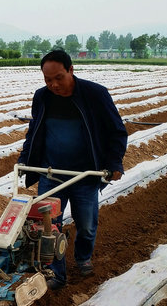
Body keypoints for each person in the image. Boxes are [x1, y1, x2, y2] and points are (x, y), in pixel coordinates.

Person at [18, 50, 128, 290]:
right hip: (51, 173)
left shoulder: (95, 95)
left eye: (58, 77)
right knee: (49, 226)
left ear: (71, 70)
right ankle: (56, 273)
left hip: (85, 176)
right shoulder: (42, 97)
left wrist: (114, 164)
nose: (53, 85)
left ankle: (83, 256)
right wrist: (24, 159)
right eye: (48, 80)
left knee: (86, 225)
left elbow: (117, 132)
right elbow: (34, 132)